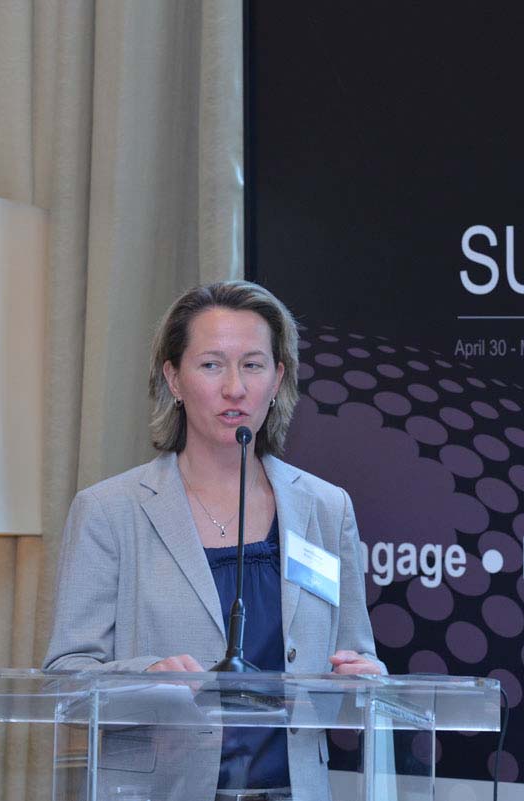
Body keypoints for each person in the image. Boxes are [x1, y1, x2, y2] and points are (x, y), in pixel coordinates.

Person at [44, 280, 384, 801]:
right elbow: (66, 681)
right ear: (173, 379)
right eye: (211, 365)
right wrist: (147, 676)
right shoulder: (110, 511)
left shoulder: (325, 508)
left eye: (253, 365)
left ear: (278, 379)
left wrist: (363, 679)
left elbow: (355, 662)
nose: (235, 388)